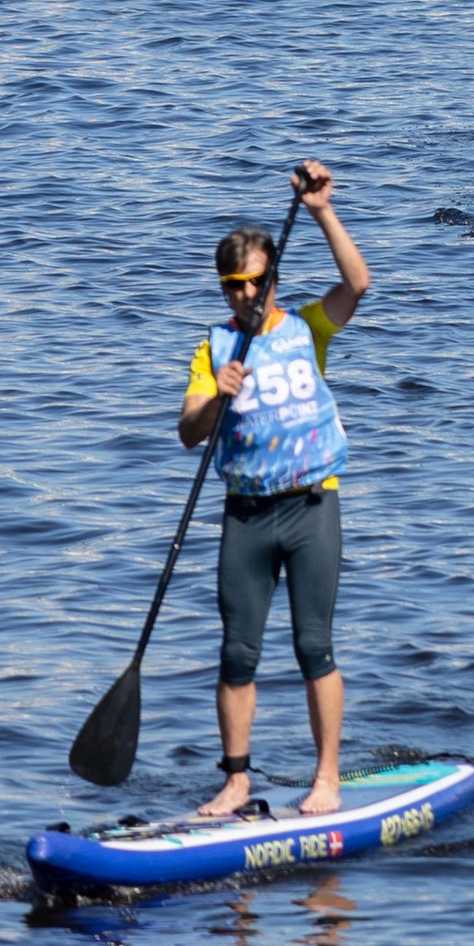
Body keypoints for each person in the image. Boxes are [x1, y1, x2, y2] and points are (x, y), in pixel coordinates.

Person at [179, 159, 370, 819]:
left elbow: (359, 282)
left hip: (311, 507)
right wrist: (214, 402)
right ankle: (235, 780)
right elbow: (187, 432)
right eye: (232, 285)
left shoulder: (307, 327)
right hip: (247, 516)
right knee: (236, 652)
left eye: (254, 282)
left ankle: (327, 781)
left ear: (273, 281)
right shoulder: (214, 349)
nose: (243, 294)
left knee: (314, 646)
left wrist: (320, 210)